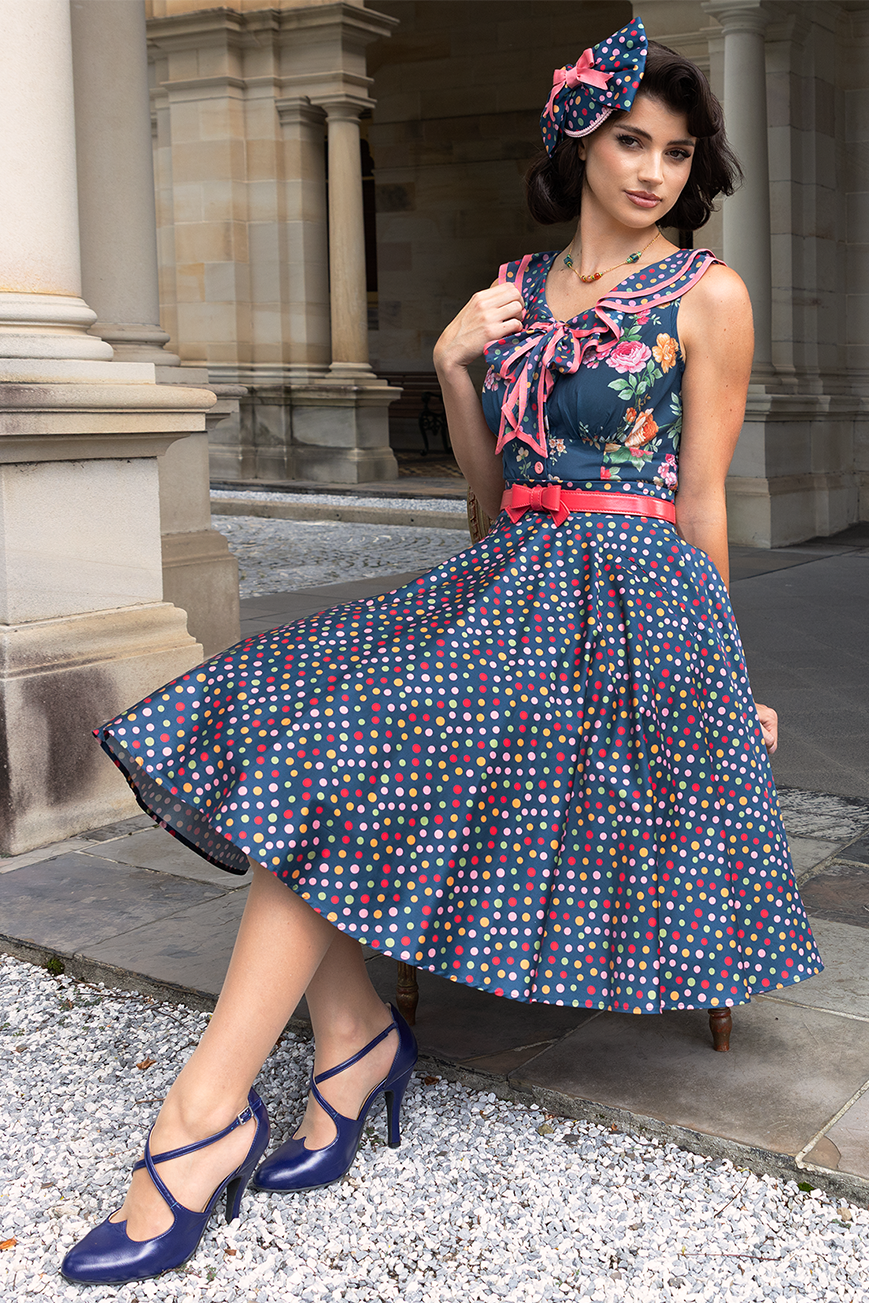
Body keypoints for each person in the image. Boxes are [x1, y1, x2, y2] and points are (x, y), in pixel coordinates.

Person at [61, 17, 822, 1287]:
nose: (653, 171)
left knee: (333, 759)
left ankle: (204, 1115)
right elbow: (485, 502)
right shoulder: (509, 291)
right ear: (576, 143)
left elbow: (699, 504)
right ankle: (350, 1042)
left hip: (632, 612)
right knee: (285, 718)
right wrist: (451, 368)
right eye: (630, 141)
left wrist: (727, 683)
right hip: (509, 581)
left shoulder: (707, 295)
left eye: (677, 152)